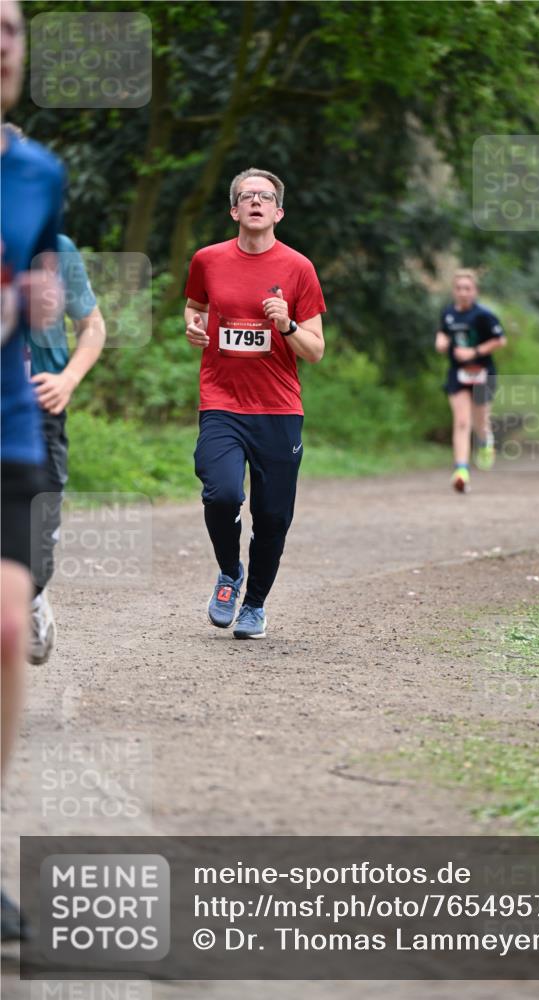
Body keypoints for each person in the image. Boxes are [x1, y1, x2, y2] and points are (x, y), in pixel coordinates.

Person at [184, 168, 326, 639]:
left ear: (279, 212)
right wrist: (194, 326)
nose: (256, 202)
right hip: (222, 401)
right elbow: (196, 307)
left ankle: (255, 605)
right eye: (247, 196)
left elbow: (316, 349)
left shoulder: (298, 268)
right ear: (234, 210)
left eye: (265, 196)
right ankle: (230, 573)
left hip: (279, 409)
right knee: (221, 491)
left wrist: (287, 325)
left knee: (273, 517)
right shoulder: (207, 260)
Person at [1, 0, 65, 940]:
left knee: (7, 629)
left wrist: (38, 292)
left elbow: (42, 277)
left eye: (8, 29)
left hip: (6, 426)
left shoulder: (39, 171)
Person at [28, 232, 106, 664]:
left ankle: (32, 595)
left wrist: (69, 379)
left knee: (39, 522)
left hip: (38, 403)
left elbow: (92, 325)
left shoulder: (56, 248)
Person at [435, 269, 506, 493]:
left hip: (482, 373)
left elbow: (500, 340)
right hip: (458, 374)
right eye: (459, 288)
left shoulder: (484, 315)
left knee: (480, 421)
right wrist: (441, 342)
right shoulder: (448, 314)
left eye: (467, 288)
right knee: (462, 421)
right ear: (454, 291)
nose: (463, 292)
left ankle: (485, 442)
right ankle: (461, 470)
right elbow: (443, 333)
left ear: (474, 291)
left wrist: (474, 352)